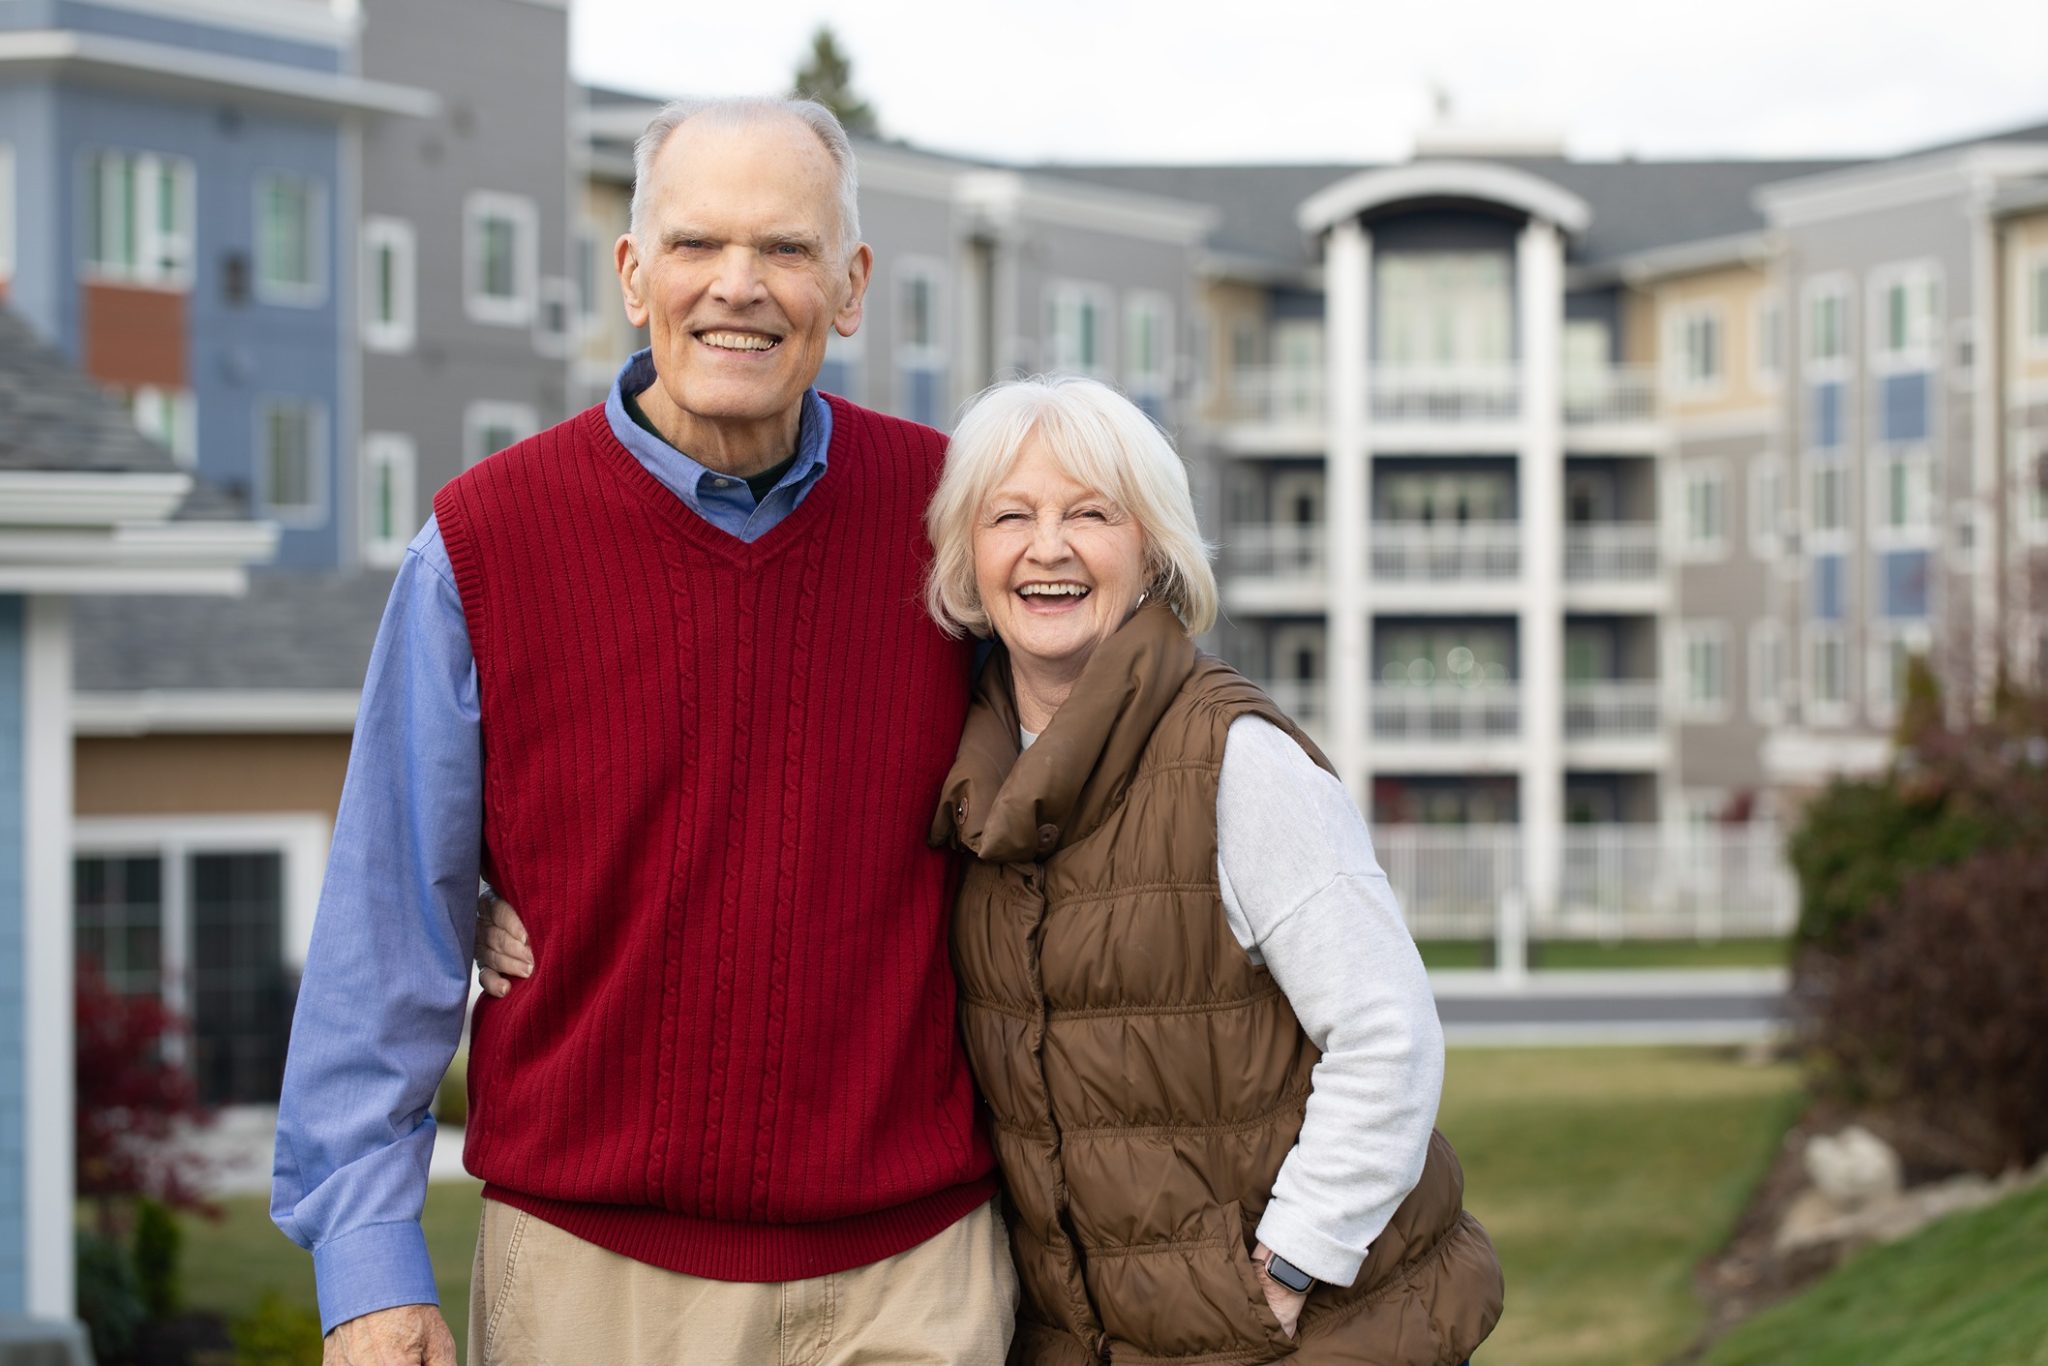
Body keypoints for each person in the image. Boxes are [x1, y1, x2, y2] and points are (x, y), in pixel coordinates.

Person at [482, 375, 1504, 1363]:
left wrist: (1290, 1264)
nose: (1046, 548)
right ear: (965, 559)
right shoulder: (968, 778)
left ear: (1151, 550)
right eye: (1009, 516)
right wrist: (495, 907)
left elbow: (1385, 1034)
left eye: (1091, 514)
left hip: (1307, 1333)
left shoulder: (1234, 761)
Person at [272, 96, 1015, 1366]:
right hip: (592, 1282)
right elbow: (389, 918)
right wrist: (368, 1268)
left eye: (785, 249)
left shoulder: (957, 520)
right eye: (693, 245)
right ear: (631, 275)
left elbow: (1108, 780)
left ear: (849, 287)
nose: (739, 287)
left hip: (917, 1276)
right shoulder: (481, 546)